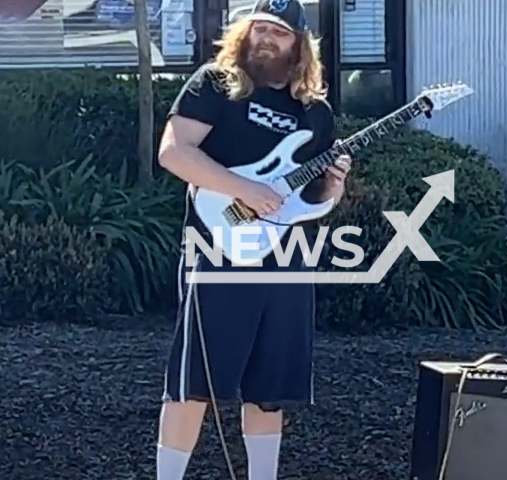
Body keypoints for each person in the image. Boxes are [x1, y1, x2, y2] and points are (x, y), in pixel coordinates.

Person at [155, 1, 353, 479]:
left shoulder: (315, 113)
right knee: (193, 384)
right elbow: (173, 153)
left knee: (272, 386)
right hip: (216, 247)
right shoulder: (214, 84)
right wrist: (244, 189)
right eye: (259, 28)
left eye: (278, 33)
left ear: (299, 46)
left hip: (285, 255)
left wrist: (333, 187)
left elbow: (310, 202)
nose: (265, 38)